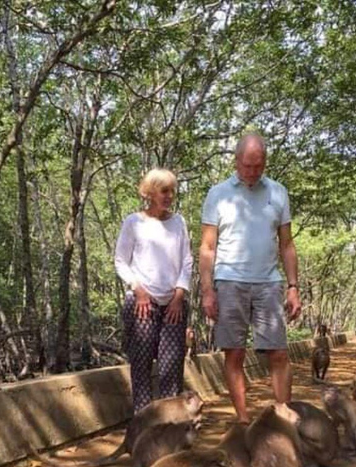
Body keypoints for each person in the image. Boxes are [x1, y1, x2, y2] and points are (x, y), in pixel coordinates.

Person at [199, 133, 301, 423]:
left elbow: (287, 244)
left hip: (268, 282)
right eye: (247, 166)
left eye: (258, 166)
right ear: (236, 161)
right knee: (234, 354)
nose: (253, 172)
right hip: (229, 281)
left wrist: (293, 287)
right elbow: (207, 246)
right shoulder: (218, 194)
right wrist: (207, 290)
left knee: (278, 353)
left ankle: (283, 418)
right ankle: (244, 420)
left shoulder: (278, 192)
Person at [115, 168, 193, 412]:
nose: (169, 196)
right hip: (142, 305)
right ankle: (143, 424)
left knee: (171, 367)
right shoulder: (134, 222)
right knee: (141, 367)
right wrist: (138, 290)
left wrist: (179, 295)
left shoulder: (178, 222)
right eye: (164, 191)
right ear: (150, 193)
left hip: (173, 305)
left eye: (172, 191)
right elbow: (120, 261)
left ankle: (171, 425)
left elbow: (187, 261)